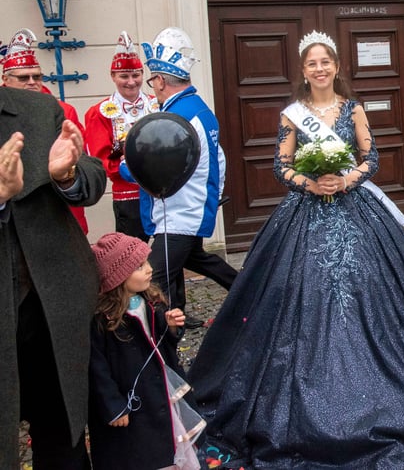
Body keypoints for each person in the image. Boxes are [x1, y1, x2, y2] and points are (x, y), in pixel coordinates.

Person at [188, 31, 404, 469]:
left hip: (354, 206)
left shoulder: (353, 109)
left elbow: (370, 159)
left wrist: (347, 180)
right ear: (303, 70)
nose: (319, 69)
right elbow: (281, 165)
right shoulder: (293, 115)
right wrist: (310, 182)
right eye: (312, 63)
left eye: (326, 62)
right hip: (305, 209)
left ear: (336, 67)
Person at [1, 86, 106, 470]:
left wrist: (69, 176)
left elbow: (93, 175)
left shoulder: (38, 107)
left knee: (62, 431)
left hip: (52, 311)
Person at [136, 28, 237, 322]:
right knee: (199, 259)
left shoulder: (176, 117)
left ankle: (166, 341)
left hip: (178, 214)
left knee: (153, 281)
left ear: (159, 81)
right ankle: (249, 289)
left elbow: (156, 165)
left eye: (151, 80)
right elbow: (220, 157)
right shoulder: (197, 109)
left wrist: (128, 166)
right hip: (190, 208)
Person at [88, 232, 205, 470]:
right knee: (139, 450)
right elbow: (96, 368)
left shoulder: (150, 302)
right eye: (139, 267)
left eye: (147, 262)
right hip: (132, 401)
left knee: (166, 441)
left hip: (160, 391)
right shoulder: (102, 320)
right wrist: (113, 405)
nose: (149, 269)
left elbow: (162, 344)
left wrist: (170, 327)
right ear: (118, 277)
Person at [3, 27, 90, 233]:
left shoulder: (63, 110)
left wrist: (68, 174)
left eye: (37, 76)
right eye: (24, 78)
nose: (33, 83)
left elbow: (83, 159)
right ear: (6, 80)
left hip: (57, 209)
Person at [84, 32, 160, 240]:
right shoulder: (98, 112)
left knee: (169, 255)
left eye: (136, 75)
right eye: (124, 76)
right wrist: (131, 171)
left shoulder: (158, 104)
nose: (131, 82)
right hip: (129, 195)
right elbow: (101, 159)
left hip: (163, 194)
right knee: (133, 255)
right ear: (113, 76)